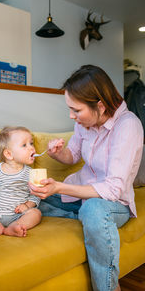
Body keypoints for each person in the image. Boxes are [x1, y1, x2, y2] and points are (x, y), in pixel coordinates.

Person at [29, 65, 144, 291]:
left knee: (93, 209)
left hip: (112, 203)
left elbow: (112, 190)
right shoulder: (84, 124)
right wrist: (57, 153)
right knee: (31, 195)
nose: (72, 116)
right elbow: (72, 156)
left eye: (76, 110)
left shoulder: (128, 126)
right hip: (81, 192)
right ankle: (86, 219)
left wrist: (60, 187)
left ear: (100, 106)